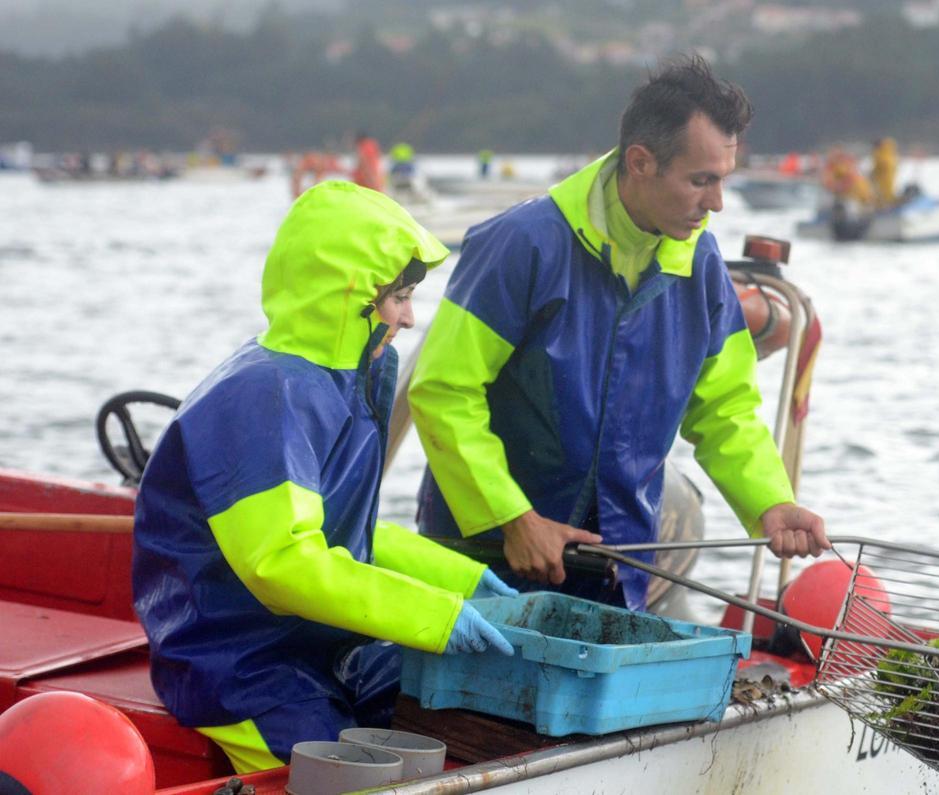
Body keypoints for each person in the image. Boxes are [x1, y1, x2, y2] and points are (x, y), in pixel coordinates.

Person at [408, 55, 829, 612]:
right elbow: (444, 389)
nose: (717, 203)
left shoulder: (700, 265)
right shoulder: (522, 244)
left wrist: (771, 502)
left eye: (722, 181)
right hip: (482, 560)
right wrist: (513, 518)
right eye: (700, 181)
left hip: (615, 566)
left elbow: (724, 407)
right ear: (640, 162)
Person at [132, 181, 515, 775]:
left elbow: (348, 533)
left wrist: (467, 582)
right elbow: (283, 565)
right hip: (235, 661)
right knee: (345, 777)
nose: (411, 318)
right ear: (350, 296)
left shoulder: (339, 375)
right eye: (400, 298)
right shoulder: (264, 396)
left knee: (470, 708)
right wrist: (438, 617)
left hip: (316, 641)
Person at [869, 137, 898, 206]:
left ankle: (887, 203)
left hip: (884, 174)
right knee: (884, 191)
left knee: (885, 190)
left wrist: (874, 172)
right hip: (885, 174)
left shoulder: (881, 152)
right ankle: (886, 202)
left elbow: (882, 163)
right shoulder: (888, 150)